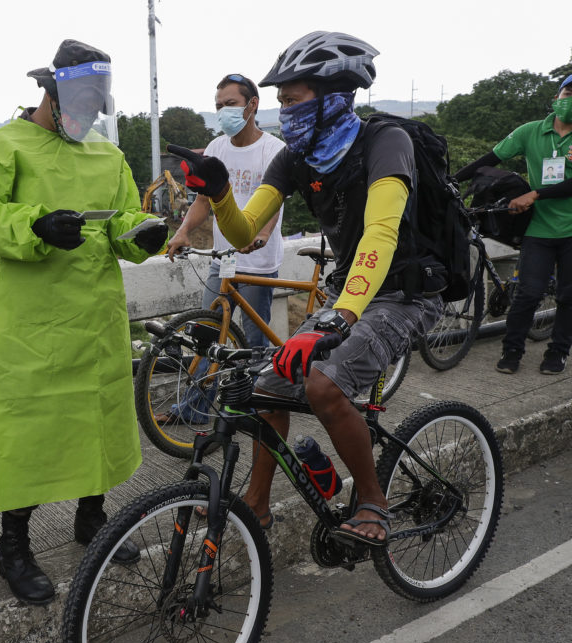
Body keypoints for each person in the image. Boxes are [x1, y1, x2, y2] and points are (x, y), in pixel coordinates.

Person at [169, 31, 443, 546]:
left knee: (323, 384)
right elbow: (246, 231)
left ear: (334, 96)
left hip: (405, 290)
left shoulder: (386, 142)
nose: (283, 111)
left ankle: (371, 502)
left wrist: (341, 317)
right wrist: (220, 190)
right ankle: (257, 503)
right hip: (354, 292)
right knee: (270, 385)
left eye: (292, 100)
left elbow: (380, 234)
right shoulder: (296, 157)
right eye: (280, 102)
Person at [0, 39, 168, 605]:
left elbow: (123, 221)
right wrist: (35, 226)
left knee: (97, 418)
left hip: (96, 314)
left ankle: (91, 520)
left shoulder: (106, 155)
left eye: (97, 106)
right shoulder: (8, 146)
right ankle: (13, 547)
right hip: (31, 322)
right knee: (27, 431)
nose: (89, 116)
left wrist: (143, 233)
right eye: (80, 103)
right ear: (49, 93)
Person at [160, 73, 285, 428]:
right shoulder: (216, 148)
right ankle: (193, 408)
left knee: (253, 342)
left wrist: (260, 235)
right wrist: (183, 231)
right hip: (222, 260)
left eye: (230, 104)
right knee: (206, 334)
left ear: (252, 105)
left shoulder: (273, 150)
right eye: (218, 106)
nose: (223, 112)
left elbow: (273, 205)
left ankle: (252, 406)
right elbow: (203, 199)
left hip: (257, 263)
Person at [454, 74, 572, 375]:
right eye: (568, 93)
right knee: (528, 293)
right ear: (556, 97)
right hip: (539, 228)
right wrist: (451, 182)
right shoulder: (530, 132)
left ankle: (557, 352)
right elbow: (490, 159)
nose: (569, 101)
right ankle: (512, 350)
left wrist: (535, 193)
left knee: (567, 296)